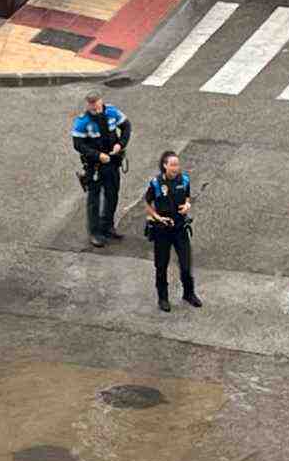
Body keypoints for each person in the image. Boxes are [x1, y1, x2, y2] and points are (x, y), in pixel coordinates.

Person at [71, 93, 131, 247]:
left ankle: (108, 226)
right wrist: (97, 155)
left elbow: (126, 126)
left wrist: (121, 144)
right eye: (91, 104)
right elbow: (78, 144)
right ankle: (95, 232)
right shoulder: (83, 121)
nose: (94, 106)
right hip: (95, 166)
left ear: (101, 101)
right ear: (87, 104)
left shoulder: (111, 112)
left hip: (112, 162)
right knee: (94, 200)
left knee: (112, 195)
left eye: (96, 102)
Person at [145, 151, 202, 312]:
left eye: (177, 164)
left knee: (185, 264)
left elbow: (187, 197)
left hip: (180, 228)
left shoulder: (184, 180)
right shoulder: (156, 183)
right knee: (161, 266)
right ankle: (163, 298)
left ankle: (189, 293)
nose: (176, 167)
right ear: (165, 166)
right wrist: (156, 217)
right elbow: (147, 203)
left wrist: (187, 205)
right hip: (162, 230)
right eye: (172, 164)